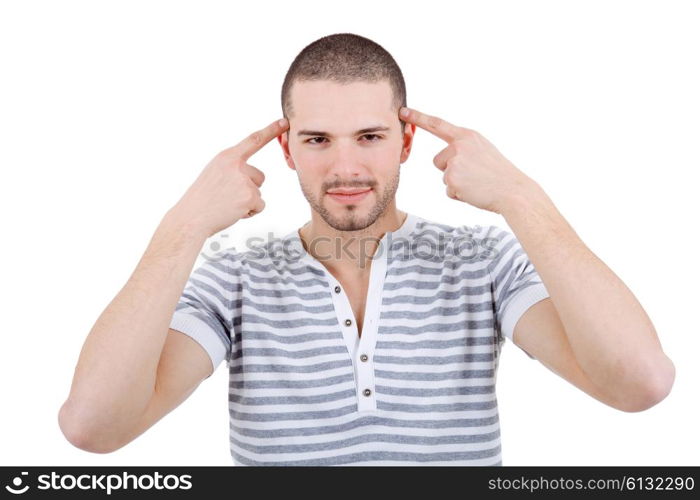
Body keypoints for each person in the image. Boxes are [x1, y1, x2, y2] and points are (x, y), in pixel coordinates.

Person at [59, 33, 675, 466]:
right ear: (288, 149)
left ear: (406, 143)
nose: (346, 166)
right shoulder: (236, 278)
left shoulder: (482, 263)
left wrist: (521, 196)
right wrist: (182, 227)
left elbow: (639, 384)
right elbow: (93, 428)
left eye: (370, 136)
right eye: (319, 139)